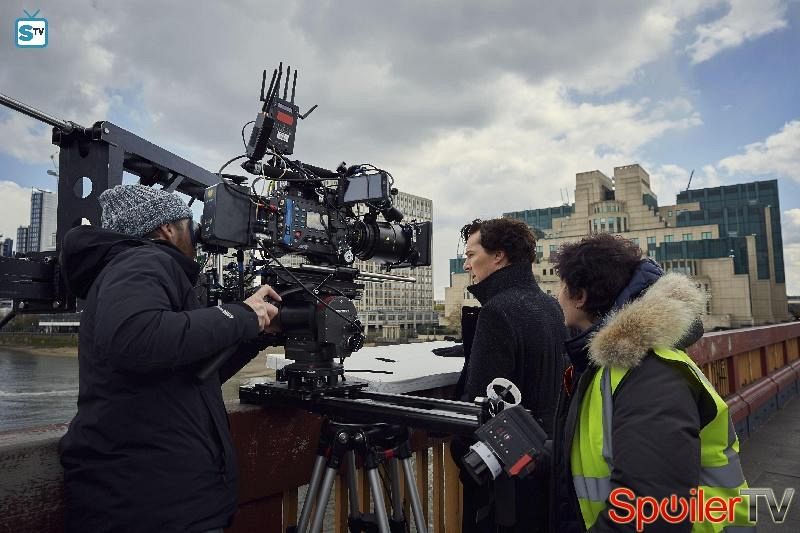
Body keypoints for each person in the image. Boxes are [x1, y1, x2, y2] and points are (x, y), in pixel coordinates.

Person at [59, 184, 281, 533]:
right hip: (151, 507)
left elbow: (194, 375)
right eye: (190, 226)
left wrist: (254, 334)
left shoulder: (136, 270)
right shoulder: (143, 261)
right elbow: (136, 337)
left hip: (157, 503)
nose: (196, 237)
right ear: (167, 228)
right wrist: (240, 315)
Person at [548, 233, 752, 532]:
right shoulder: (609, 365)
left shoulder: (649, 375)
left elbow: (648, 513)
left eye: (561, 286)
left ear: (580, 296)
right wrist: (548, 454)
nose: (557, 295)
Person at [454, 218, 567, 533]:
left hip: (505, 486)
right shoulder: (551, 306)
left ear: (498, 256)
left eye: (471, 255)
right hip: (545, 467)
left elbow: (482, 403)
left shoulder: (497, 311)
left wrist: (462, 454)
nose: (466, 264)